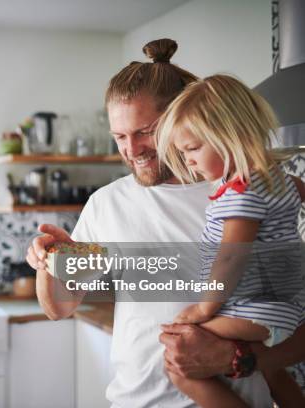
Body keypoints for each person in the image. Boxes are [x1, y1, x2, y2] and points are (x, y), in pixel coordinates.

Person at [27, 38, 305, 407]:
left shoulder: (245, 191)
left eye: (145, 131)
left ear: (181, 118)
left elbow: (292, 314)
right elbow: (59, 307)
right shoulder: (107, 205)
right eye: (120, 137)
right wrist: (49, 260)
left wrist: (239, 359)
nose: (131, 149)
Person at [155, 74, 305, 407]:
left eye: (193, 149)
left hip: (255, 309)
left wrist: (204, 307)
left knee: (180, 365)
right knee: (275, 372)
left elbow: (230, 258)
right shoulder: (278, 177)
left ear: (230, 136)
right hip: (285, 307)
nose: (189, 161)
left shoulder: (240, 193)